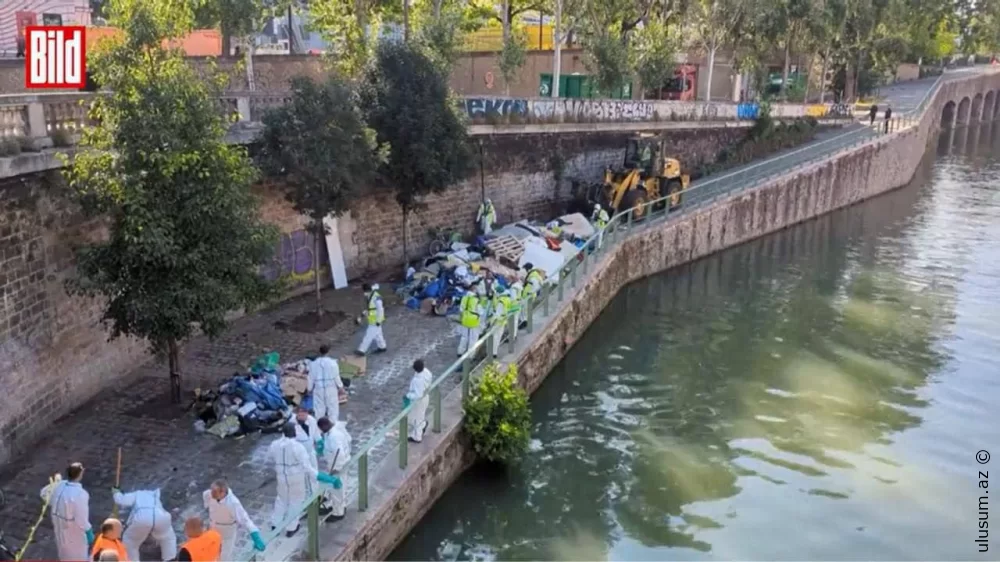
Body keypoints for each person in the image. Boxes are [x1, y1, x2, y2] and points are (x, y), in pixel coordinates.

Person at [269, 422, 341, 537]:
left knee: (281, 500)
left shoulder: (274, 445)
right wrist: (329, 479)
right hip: (296, 478)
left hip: (281, 477)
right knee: (295, 502)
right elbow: (310, 470)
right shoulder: (298, 447)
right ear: (294, 433)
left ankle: (275, 524)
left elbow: (271, 457)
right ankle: (291, 528)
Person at [41, 462, 93, 562]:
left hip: (58, 524)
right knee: (78, 554)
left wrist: (54, 503)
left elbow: (44, 493)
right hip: (73, 529)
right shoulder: (81, 494)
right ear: (80, 474)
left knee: (63, 551)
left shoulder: (59, 485)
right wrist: (88, 530)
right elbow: (81, 518)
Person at [202, 480, 266, 560]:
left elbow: (244, 519)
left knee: (224, 556)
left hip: (227, 532)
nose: (212, 495)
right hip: (213, 529)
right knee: (212, 554)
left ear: (223, 492)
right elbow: (206, 498)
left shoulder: (233, 503)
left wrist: (255, 535)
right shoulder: (208, 494)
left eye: (215, 493)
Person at [112, 487, 177, 561]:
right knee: (168, 538)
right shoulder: (155, 495)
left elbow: (121, 500)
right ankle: (170, 559)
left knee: (130, 541)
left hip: (142, 518)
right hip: (161, 517)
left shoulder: (137, 494)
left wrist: (116, 492)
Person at [316, 417, 352, 520]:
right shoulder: (334, 431)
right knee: (340, 486)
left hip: (338, 465)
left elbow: (339, 453)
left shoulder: (334, 437)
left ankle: (338, 513)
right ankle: (338, 505)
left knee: (337, 488)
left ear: (324, 426)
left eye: (321, 429)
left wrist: (336, 468)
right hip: (339, 462)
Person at [308, 345, 344, 422]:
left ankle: (319, 425)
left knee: (319, 408)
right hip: (331, 388)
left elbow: (311, 378)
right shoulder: (333, 363)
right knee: (332, 408)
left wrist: (309, 388)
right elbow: (336, 376)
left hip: (318, 388)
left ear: (319, 352)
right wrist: (340, 387)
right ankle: (332, 424)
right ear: (328, 352)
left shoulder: (313, 364)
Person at [404, 359, 433, 443]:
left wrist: (408, 395)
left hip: (419, 401)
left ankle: (417, 437)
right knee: (419, 416)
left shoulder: (417, 380)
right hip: (425, 396)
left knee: (416, 418)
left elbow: (418, 395)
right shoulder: (427, 372)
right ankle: (422, 425)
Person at [356, 283, 387, 355]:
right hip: (373, 319)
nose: (364, 294)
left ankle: (361, 350)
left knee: (368, 335)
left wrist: (378, 321)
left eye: (364, 292)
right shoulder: (371, 295)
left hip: (375, 320)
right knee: (378, 335)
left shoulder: (376, 297)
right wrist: (362, 315)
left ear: (367, 290)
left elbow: (380, 310)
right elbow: (371, 308)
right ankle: (382, 347)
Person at [293, 405, 322, 471]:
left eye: (304, 415)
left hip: (310, 451)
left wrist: (319, 441)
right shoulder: (291, 423)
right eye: (300, 416)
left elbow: (315, 432)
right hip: (298, 454)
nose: (303, 417)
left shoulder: (311, 420)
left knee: (314, 470)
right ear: (297, 414)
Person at [457, 287, 482, 357]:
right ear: (474, 290)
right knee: (473, 338)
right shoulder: (476, 300)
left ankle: (460, 352)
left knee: (464, 336)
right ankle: (470, 355)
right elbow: (480, 311)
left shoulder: (464, 298)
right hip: (473, 320)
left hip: (465, 318)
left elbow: (461, 309)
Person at [489, 289, 513, 358]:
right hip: (503, 320)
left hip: (497, 321)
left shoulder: (501, 301)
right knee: (498, 336)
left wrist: (493, 322)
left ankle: (491, 352)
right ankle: (494, 352)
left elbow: (497, 313)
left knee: (493, 336)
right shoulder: (507, 299)